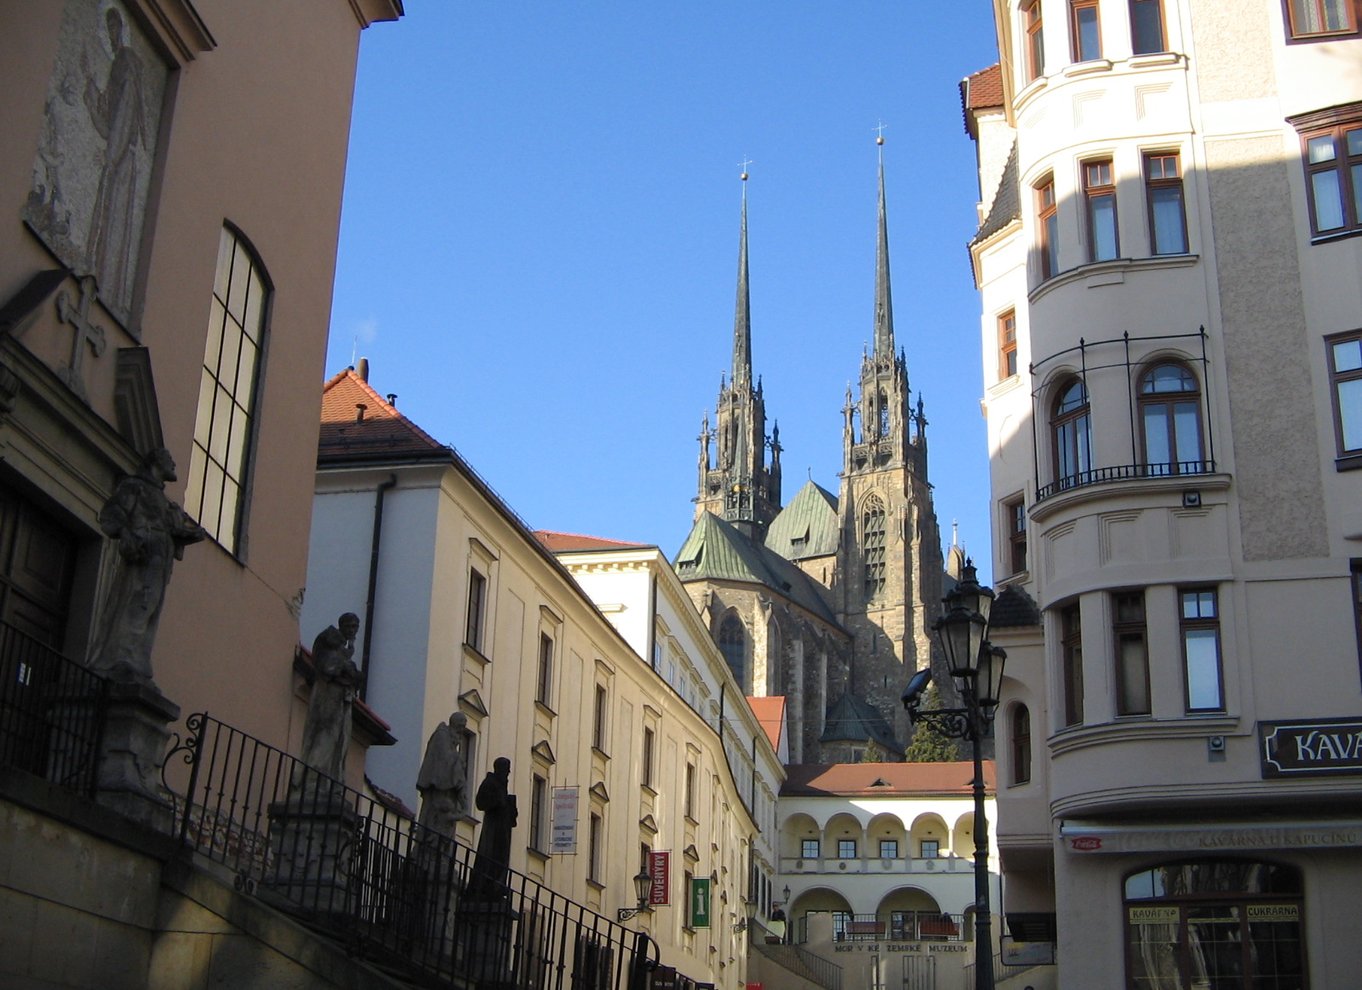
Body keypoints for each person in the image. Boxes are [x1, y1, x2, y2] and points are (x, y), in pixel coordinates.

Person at [90, 447, 205, 683]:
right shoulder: (136, 487)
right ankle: (121, 657)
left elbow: (172, 530)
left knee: (149, 607)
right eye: (169, 459)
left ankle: (136, 657)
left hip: (159, 559)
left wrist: (188, 534)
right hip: (143, 554)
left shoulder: (163, 500)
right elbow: (113, 514)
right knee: (136, 602)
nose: (174, 463)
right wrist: (127, 534)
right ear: (156, 462)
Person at [297, 613, 362, 787]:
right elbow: (327, 666)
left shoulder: (343, 647)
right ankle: (313, 778)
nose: (352, 630)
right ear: (341, 625)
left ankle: (328, 780)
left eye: (355, 627)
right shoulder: (328, 639)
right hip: (328, 696)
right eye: (349, 626)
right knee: (326, 734)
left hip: (341, 698)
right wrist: (346, 667)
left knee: (340, 738)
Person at [468, 757, 517, 897]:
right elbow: (480, 803)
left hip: (502, 828)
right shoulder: (490, 783)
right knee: (490, 856)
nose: (508, 772)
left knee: (500, 857)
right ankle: (486, 885)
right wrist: (499, 801)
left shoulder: (500, 784)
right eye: (506, 769)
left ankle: (496, 885)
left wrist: (510, 807)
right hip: (493, 829)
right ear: (499, 769)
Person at [417, 712, 469, 836]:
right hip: (438, 793)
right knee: (432, 827)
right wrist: (459, 764)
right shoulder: (442, 736)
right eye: (461, 726)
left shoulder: (449, 739)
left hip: (446, 794)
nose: (462, 731)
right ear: (455, 724)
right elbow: (445, 762)